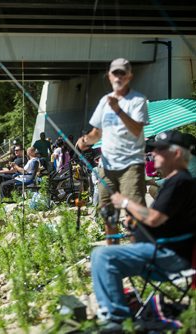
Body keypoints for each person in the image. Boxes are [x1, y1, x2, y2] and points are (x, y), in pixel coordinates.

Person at [91, 130, 196, 329]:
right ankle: (117, 311)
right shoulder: (176, 182)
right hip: (160, 253)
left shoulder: (180, 182)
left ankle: (115, 320)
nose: (153, 154)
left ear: (176, 154)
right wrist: (135, 225)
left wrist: (125, 202)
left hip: (168, 258)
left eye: (159, 150)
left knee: (103, 256)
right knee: (104, 258)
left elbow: (155, 219)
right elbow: (164, 222)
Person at [77, 58, 149, 244]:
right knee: (108, 213)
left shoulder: (137, 100)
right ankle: (114, 253)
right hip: (106, 167)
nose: (118, 76)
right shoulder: (104, 101)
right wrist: (84, 141)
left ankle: (137, 256)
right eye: (115, 73)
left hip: (131, 166)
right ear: (109, 76)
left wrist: (118, 110)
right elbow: (97, 132)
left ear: (129, 76)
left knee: (134, 214)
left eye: (122, 73)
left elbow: (137, 130)